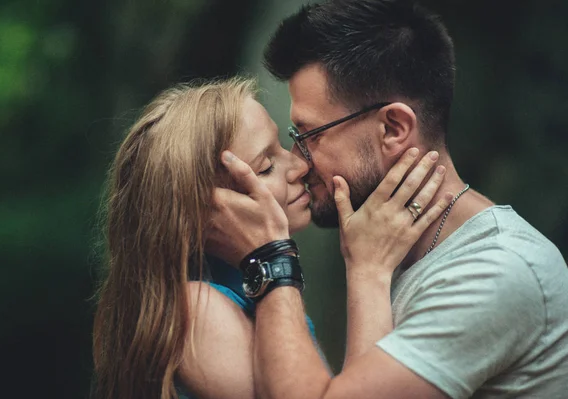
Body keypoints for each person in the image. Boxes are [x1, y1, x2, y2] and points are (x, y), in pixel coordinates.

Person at [208, 0, 568, 398]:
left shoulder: (496, 270)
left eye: (309, 135)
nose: (298, 164)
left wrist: (271, 258)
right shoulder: (386, 248)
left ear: (394, 129)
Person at [91, 77, 448, 399]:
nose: (300, 166)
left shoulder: (236, 291)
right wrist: (359, 269)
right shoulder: (197, 310)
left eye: (283, 145)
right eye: (265, 166)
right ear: (210, 207)